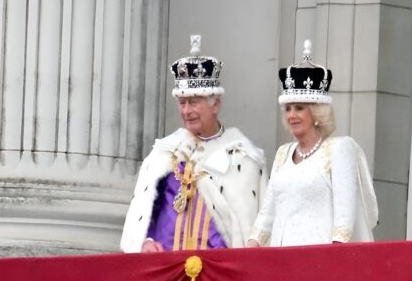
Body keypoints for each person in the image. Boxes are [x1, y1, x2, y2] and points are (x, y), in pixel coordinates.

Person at [121, 35, 267, 253]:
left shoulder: (243, 158)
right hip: (168, 266)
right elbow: (145, 213)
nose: (186, 111)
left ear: (215, 104)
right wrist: (146, 240)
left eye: (193, 102)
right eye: (182, 103)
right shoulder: (164, 154)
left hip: (217, 268)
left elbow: (255, 228)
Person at [247, 40, 378, 247]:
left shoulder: (338, 149)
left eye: (299, 108)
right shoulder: (283, 153)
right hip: (280, 257)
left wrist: (331, 259)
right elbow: (267, 213)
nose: (291, 115)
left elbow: (344, 221)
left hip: (317, 258)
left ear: (317, 112)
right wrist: (250, 247)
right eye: (288, 109)